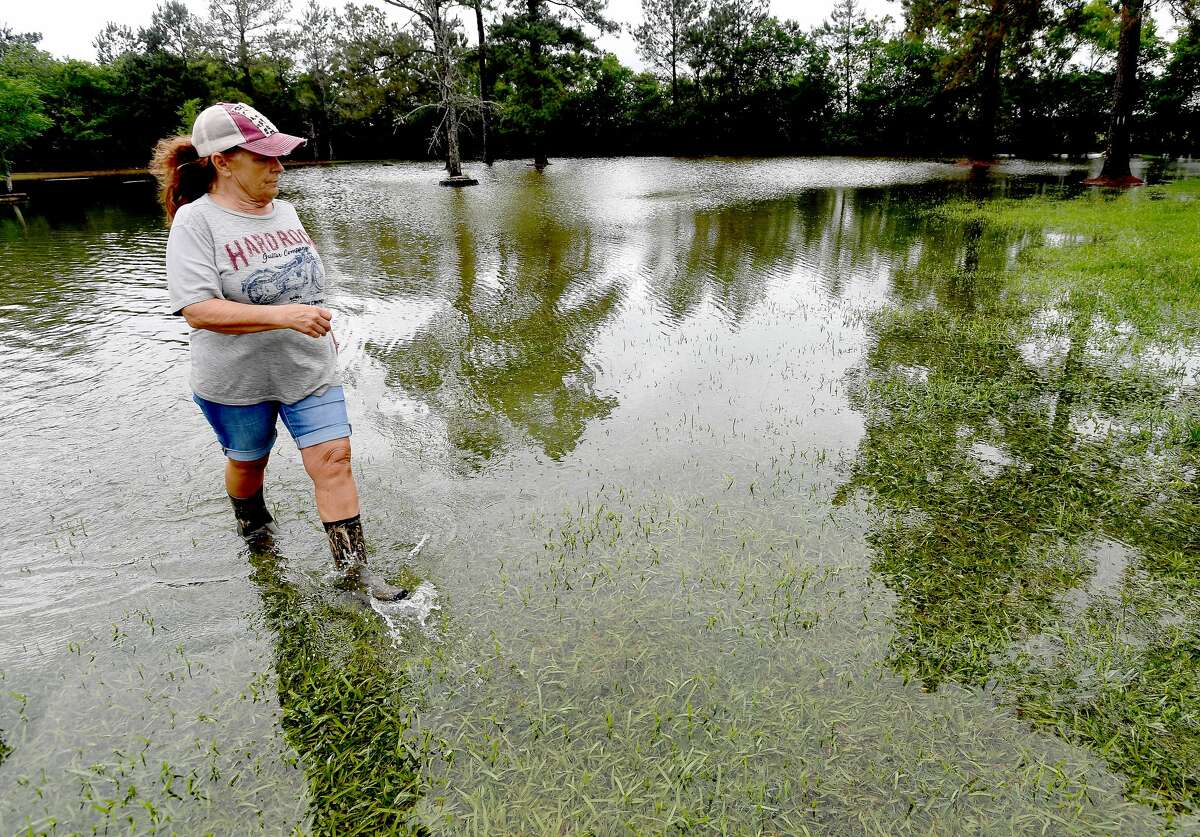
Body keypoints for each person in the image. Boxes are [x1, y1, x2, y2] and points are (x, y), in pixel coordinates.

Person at [150, 102, 407, 601]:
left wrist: (313, 314)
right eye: (263, 158)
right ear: (222, 161)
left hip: (307, 369)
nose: (278, 167)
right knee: (249, 463)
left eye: (279, 156)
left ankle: (355, 575)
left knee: (335, 459)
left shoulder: (284, 210)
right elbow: (197, 309)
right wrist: (285, 316)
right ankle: (255, 531)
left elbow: (299, 280)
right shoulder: (195, 222)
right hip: (236, 381)